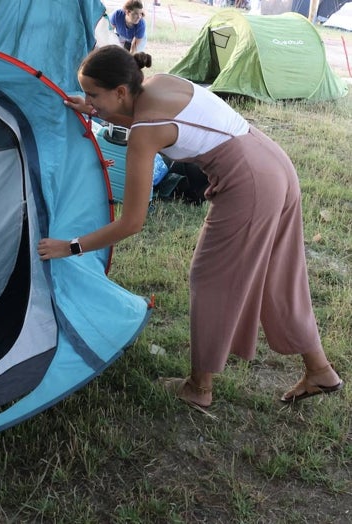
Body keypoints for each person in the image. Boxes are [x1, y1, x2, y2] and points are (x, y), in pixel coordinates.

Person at [36, 46, 343, 412]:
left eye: (93, 94)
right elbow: (165, 121)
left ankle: (199, 387)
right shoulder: (157, 84)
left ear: (120, 92)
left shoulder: (145, 132)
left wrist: (69, 247)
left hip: (248, 182)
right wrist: (96, 111)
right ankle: (320, 370)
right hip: (271, 160)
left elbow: (132, 222)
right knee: (279, 273)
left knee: (210, 278)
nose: (88, 101)